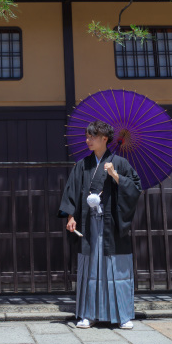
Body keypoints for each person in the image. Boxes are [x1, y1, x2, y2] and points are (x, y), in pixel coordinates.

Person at [58, 120, 143, 329]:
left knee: (117, 268)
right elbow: (72, 192)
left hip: (111, 225)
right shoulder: (82, 166)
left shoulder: (120, 163)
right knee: (91, 268)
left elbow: (135, 187)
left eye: (92, 136)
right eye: (87, 136)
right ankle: (88, 314)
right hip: (89, 224)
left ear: (104, 138)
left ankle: (123, 316)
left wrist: (115, 175)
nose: (88, 140)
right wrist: (71, 216)